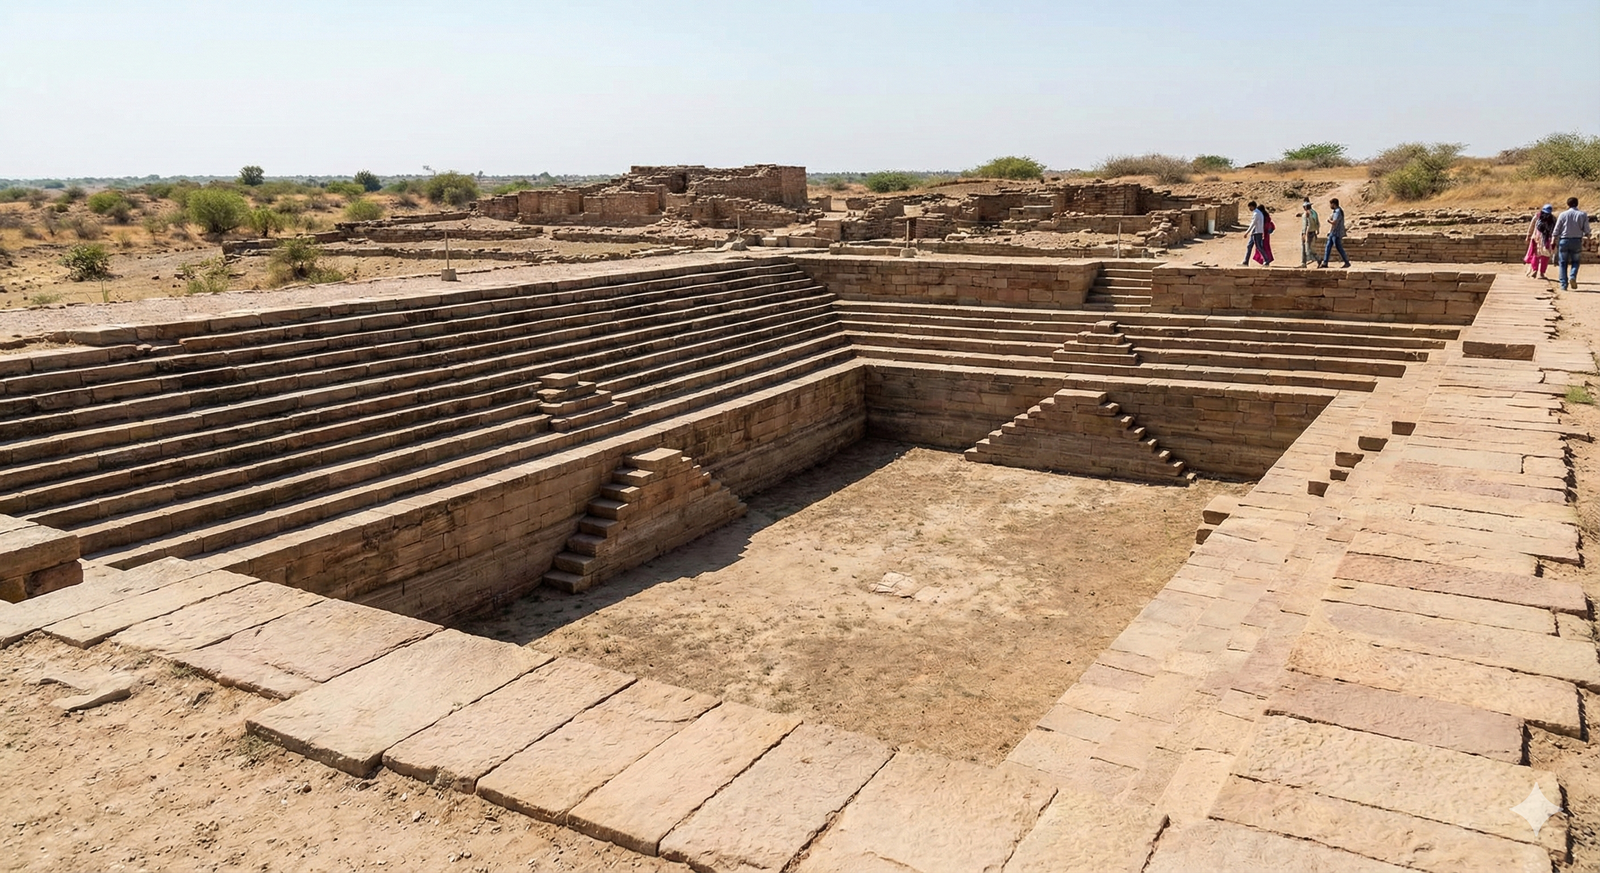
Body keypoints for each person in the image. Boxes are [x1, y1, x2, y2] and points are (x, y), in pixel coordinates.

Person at [1553, 197, 1591, 291]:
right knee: (1575, 261)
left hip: (1564, 240)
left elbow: (1557, 228)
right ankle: (1572, 276)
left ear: (1568, 204)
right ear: (1577, 204)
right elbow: (1587, 230)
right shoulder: (1583, 214)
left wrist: (1553, 239)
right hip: (1576, 240)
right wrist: (1588, 239)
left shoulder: (1562, 214)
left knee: (1562, 262)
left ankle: (1563, 284)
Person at [1526, 204, 1555, 279]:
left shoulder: (1537, 216)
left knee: (1536, 255)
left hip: (1537, 238)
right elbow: (1554, 230)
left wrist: (1528, 235)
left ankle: (1534, 270)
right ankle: (1542, 273)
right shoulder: (1553, 219)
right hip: (1547, 239)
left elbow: (1532, 226)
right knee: (1545, 256)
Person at [1320, 197, 1350, 268]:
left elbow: (1334, 222)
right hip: (1333, 232)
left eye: (1331, 204)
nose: (1330, 206)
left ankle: (1346, 262)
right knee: (1328, 246)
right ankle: (1325, 262)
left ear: (1333, 204)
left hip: (1336, 232)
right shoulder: (1336, 211)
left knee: (1338, 247)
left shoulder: (1337, 212)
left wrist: (1329, 221)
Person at [1300, 198, 1320, 267]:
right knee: (1307, 248)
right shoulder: (1314, 212)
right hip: (1313, 232)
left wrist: (1305, 234)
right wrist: (1317, 230)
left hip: (1307, 232)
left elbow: (1308, 224)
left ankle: (1317, 259)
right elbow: (1317, 222)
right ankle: (1304, 262)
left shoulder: (1307, 214)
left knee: (1308, 249)